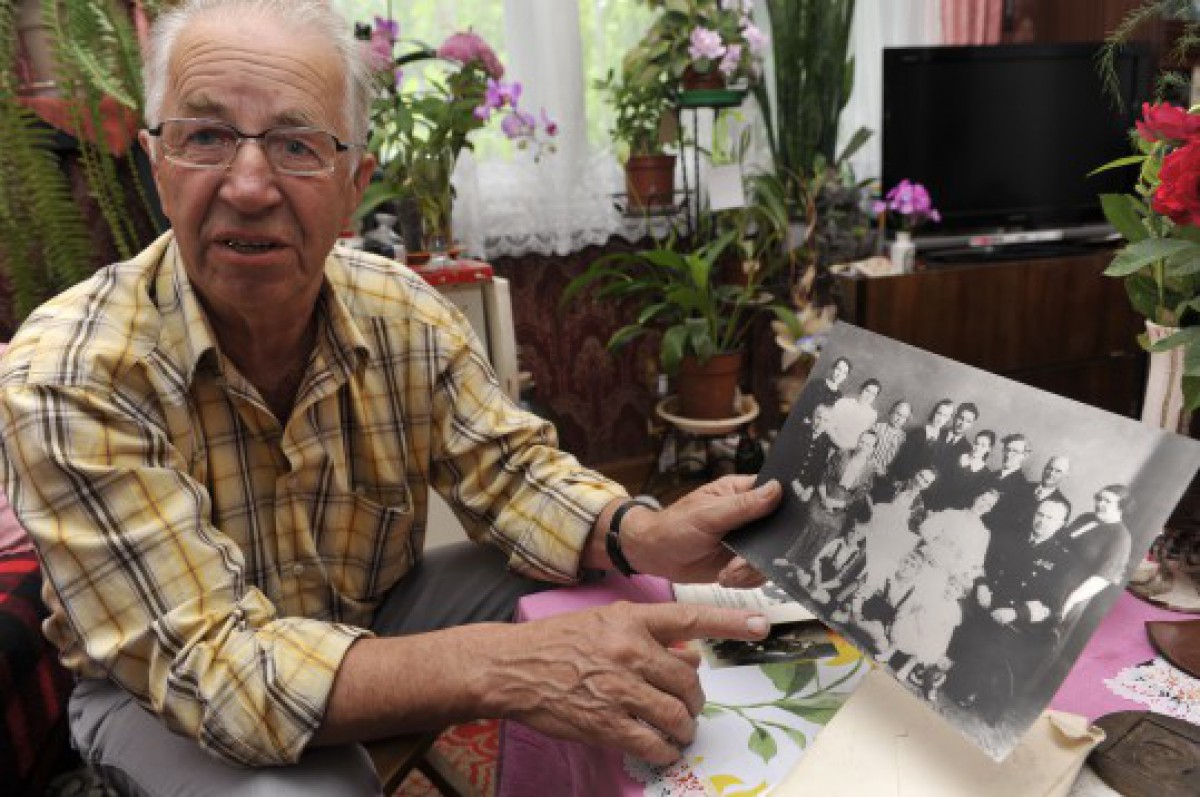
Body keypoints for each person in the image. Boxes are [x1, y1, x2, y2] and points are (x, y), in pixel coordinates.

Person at [0, 2, 781, 792]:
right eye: (205, 137)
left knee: (613, 595)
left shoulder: (401, 308)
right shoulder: (68, 370)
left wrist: (642, 532)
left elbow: (510, 471)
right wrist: (508, 666)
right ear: (157, 164)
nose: (249, 185)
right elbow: (216, 673)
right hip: (161, 690)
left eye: (297, 145)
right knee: (308, 789)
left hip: (365, 615)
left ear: (354, 187)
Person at [889, 398, 953, 482]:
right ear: (934, 413)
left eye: (945, 416)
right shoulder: (917, 433)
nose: (940, 418)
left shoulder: (943, 439)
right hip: (905, 479)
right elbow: (903, 461)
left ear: (949, 418)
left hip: (923, 483)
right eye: (939, 413)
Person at [988, 433, 1037, 533]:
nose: (1008, 455)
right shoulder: (990, 475)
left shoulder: (1024, 490)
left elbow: (1007, 524)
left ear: (1024, 455)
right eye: (1007, 449)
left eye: (1015, 451)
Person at [789, 404, 836, 504]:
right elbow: (784, 460)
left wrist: (810, 488)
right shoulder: (798, 432)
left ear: (829, 423)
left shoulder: (826, 442)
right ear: (813, 416)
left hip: (806, 487)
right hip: (787, 478)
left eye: (825, 420)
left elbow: (819, 469)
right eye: (818, 417)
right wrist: (794, 483)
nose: (820, 423)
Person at [826, 378, 881, 450]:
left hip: (850, 451)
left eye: (873, 394)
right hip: (830, 444)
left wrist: (849, 451)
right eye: (867, 391)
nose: (869, 396)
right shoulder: (844, 402)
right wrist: (841, 445)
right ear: (861, 389)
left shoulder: (872, 414)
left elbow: (862, 438)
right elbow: (829, 426)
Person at [793, 356, 851, 422]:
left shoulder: (839, 397)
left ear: (846, 377)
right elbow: (799, 406)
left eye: (844, 373)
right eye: (838, 369)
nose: (839, 374)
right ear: (833, 369)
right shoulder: (815, 384)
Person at [1032, 455, 1073, 521]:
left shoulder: (1063, 505)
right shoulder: (1022, 487)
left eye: (1058, 471)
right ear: (1044, 468)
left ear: (1065, 475)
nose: (1051, 473)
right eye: (1050, 468)